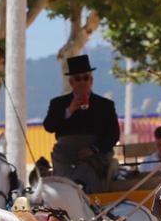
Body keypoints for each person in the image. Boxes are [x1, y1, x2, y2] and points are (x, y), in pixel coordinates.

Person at [43, 55, 119, 193]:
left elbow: (113, 135)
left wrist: (94, 149)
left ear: (91, 81)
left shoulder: (105, 105)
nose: (82, 82)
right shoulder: (58, 103)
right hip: (65, 153)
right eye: (78, 78)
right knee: (63, 171)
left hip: (95, 153)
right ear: (71, 82)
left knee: (88, 170)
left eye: (85, 77)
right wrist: (68, 111)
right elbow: (49, 126)